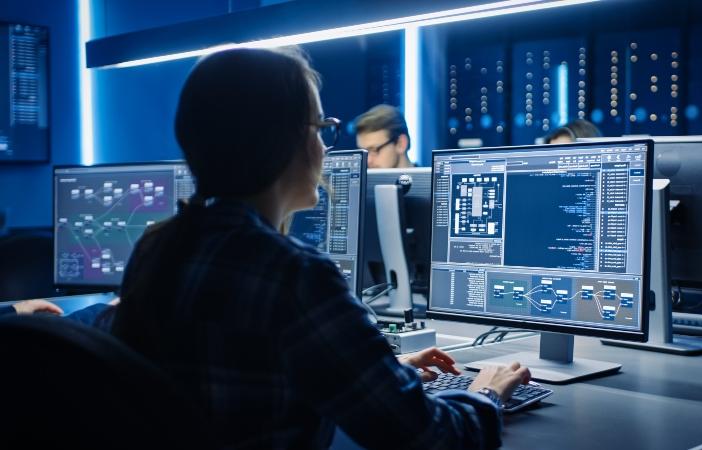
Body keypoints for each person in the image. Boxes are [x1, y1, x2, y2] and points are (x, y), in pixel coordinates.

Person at [111, 47, 530, 449]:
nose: (326, 148)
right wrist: (486, 392)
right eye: (321, 129)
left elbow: (242, 381)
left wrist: (379, 376)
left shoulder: (157, 245)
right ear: (284, 142)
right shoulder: (293, 273)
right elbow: (435, 439)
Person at [355, 104, 415, 169]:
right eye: (362, 153)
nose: (368, 161)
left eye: (374, 150)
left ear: (401, 143)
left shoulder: (427, 179)